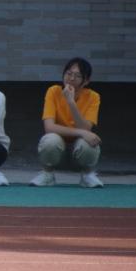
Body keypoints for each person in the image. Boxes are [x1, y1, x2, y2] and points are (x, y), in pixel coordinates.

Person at [30, 57, 103, 188]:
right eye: (69, 73)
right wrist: (81, 132)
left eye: (78, 76)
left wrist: (71, 102)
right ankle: (47, 174)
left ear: (86, 81)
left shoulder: (93, 97)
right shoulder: (53, 91)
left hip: (79, 150)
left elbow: (86, 128)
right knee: (50, 140)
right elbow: (49, 127)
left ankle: (87, 175)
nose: (71, 78)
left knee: (89, 143)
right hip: (57, 149)